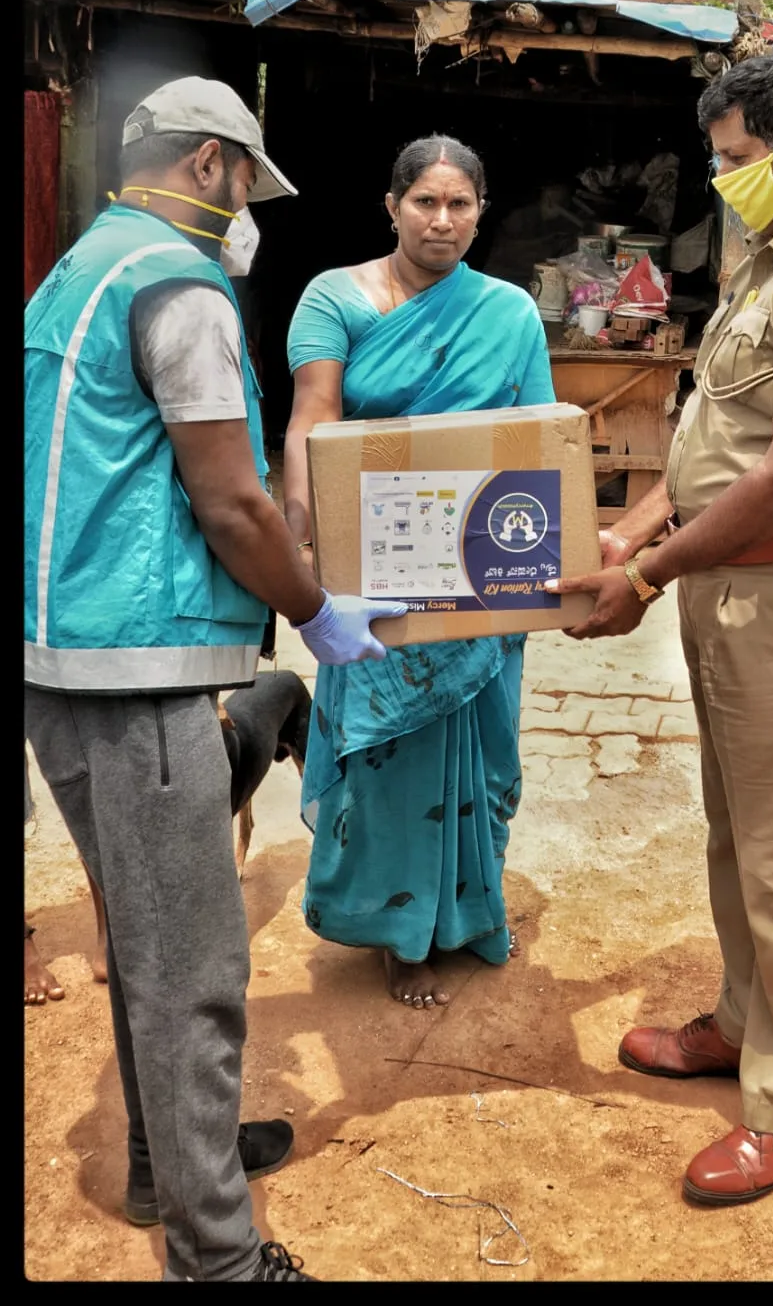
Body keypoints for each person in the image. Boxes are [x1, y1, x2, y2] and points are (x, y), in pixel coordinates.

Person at [24, 76, 405, 1282]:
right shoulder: (177, 286)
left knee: (150, 939)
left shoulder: (78, 270)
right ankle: (220, 1254)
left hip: (71, 657)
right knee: (194, 969)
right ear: (206, 164)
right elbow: (232, 499)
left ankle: (170, 1164)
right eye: (245, 183)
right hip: (132, 673)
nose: (248, 211)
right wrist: (316, 610)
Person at [548, 55, 773, 1206]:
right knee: (739, 830)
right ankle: (742, 1020)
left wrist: (644, 574)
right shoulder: (772, 254)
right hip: (732, 586)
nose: (719, 180)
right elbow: (717, 436)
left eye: (732, 159)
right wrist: (631, 529)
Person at [283, 134, 556, 1009]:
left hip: (479, 564)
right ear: (392, 206)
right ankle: (399, 934)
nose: (442, 219)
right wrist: (306, 549)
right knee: (388, 749)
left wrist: (548, 566)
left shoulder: (508, 313)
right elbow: (313, 421)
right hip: (375, 566)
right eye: (425, 202)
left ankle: (464, 915)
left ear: (480, 214)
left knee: (481, 749)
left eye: (459, 204)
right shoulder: (336, 298)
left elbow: (539, 440)